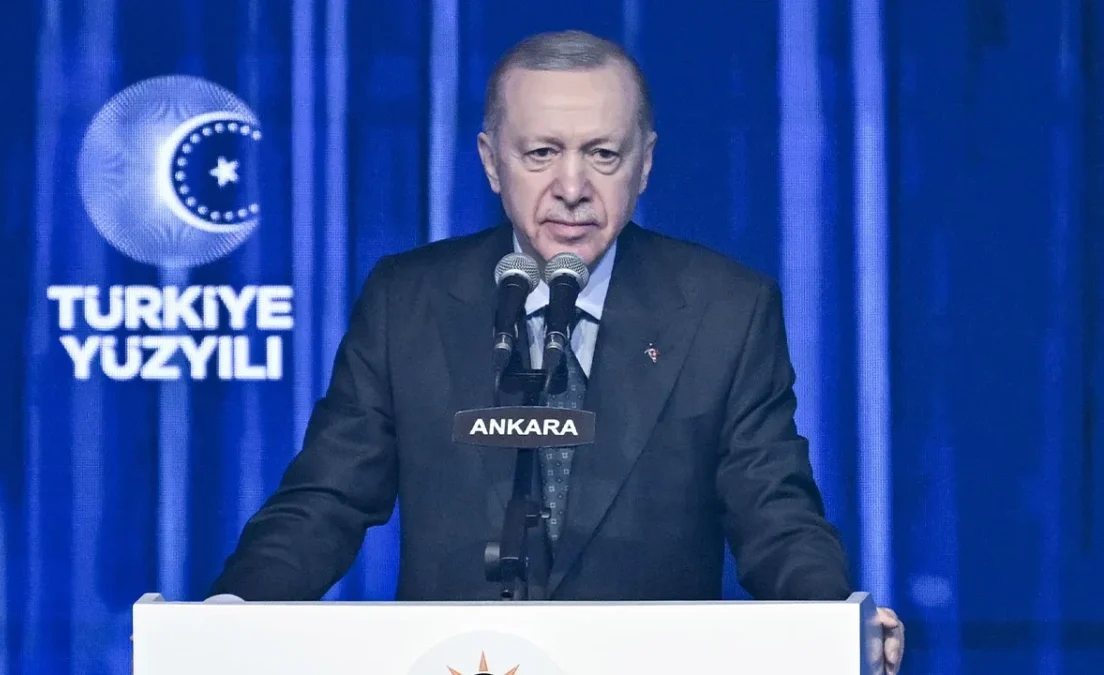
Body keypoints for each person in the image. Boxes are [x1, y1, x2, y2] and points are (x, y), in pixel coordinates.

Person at [209, 29, 904, 673]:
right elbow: (326, 500)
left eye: (603, 154)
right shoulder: (408, 300)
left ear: (644, 164)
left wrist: (837, 621)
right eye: (541, 153)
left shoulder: (725, 309)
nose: (572, 189)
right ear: (491, 162)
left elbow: (774, 512)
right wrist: (225, 619)